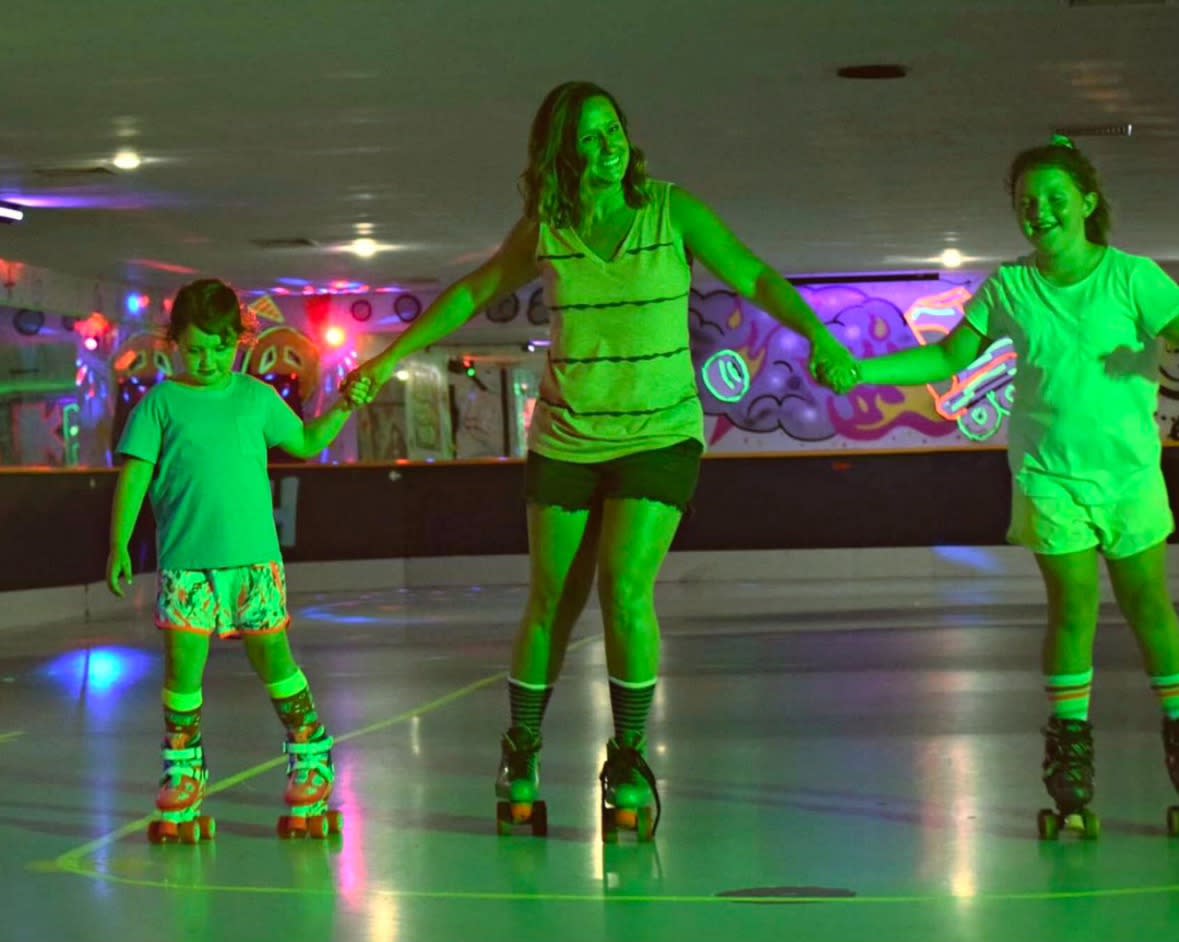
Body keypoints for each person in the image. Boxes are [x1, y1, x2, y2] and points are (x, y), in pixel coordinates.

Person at [346, 80, 854, 839]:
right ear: (560, 154)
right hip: (567, 436)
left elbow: (750, 275)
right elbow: (474, 291)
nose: (607, 145)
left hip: (660, 434)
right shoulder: (544, 229)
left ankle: (626, 756)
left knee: (623, 586)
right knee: (552, 597)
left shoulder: (670, 210)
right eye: (587, 136)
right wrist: (391, 358)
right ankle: (520, 749)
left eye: (613, 129)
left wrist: (819, 332)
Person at [823, 136, 1179, 837]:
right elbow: (950, 355)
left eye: (1052, 198)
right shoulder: (1010, 288)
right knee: (1071, 608)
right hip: (1048, 477)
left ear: (1085, 201)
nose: (1038, 211)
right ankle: (1069, 754)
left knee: (1148, 609)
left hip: (1130, 475)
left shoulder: (1134, 279)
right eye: (1025, 203)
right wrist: (859, 371)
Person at [106, 278, 370, 842]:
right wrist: (119, 543)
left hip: (253, 563)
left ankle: (311, 758)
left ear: (239, 341)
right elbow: (133, 479)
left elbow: (305, 441)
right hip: (187, 564)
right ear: (174, 342)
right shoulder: (160, 404)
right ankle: (183, 773)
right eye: (196, 348)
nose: (208, 360)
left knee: (273, 658)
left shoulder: (255, 398)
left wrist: (346, 403)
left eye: (220, 348)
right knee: (183, 670)